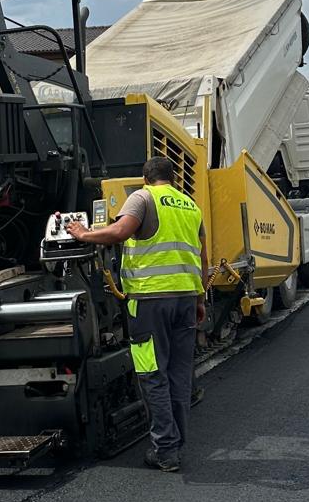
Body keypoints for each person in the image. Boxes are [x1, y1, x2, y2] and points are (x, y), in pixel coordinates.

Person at [67, 156, 208, 472]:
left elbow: (119, 232)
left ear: (146, 178)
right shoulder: (190, 206)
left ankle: (166, 450)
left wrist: (83, 233)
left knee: (152, 375)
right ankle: (176, 442)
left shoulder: (142, 198)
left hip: (149, 303)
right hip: (185, 299)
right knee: (179, 374)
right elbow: (202, 255)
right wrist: (200, 299)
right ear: (172, 178)